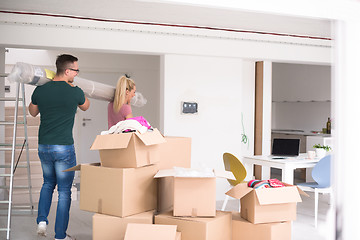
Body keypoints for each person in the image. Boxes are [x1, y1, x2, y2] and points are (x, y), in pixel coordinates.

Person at [29, 54, 90, 240]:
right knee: (64, 191)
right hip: (63, 147)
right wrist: (76, 90)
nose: (77, 74)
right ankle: (60, 236)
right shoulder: (75, 91)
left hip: (44, 147)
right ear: (67, 71)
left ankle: (41, 220)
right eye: (76, 70)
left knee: (47, 183)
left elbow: (32, 112)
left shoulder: (41, 89)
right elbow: (86, 106)